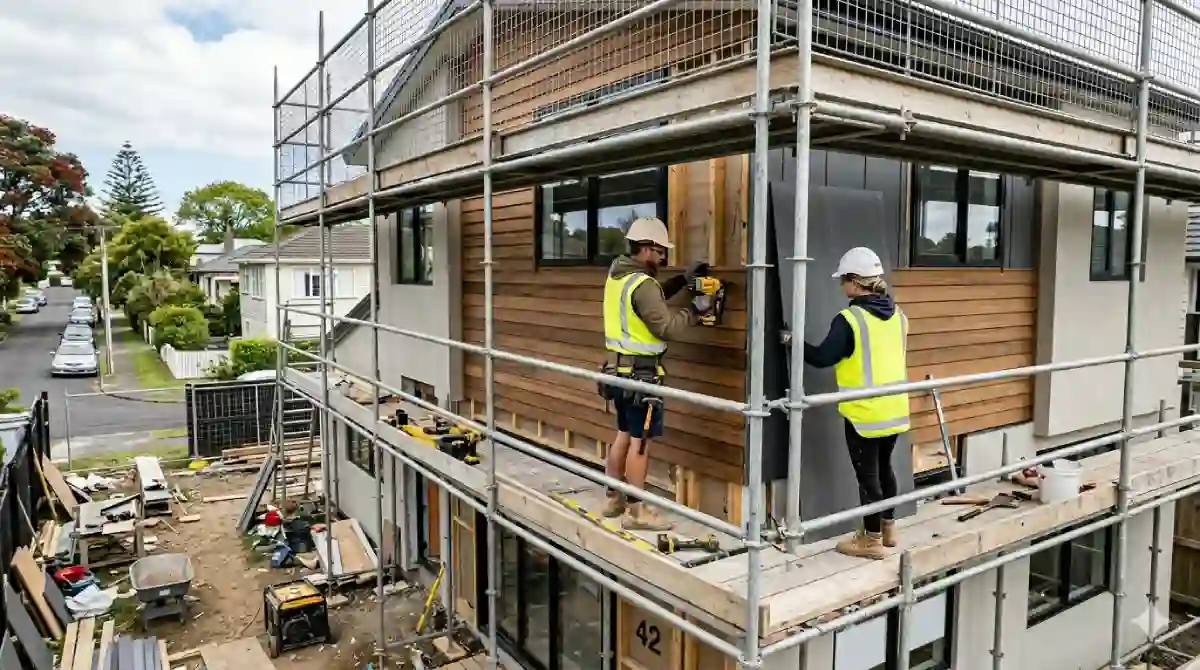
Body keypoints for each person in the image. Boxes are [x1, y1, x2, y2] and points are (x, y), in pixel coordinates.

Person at [601, 216, 709, 531]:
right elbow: (666, 326)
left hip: (618, 372)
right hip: (642, 377)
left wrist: (682, 280)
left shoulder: (619, 275)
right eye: (661, 252)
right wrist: (697, 310)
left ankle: (614, 499)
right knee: (640, 443)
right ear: (646, 249)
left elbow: (650, 298)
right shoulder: (642, 284)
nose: (663, 258)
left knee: (623, 434)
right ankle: (637, 512)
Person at [804, 247, 910, 560]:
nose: (841, 286)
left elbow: (823, 357)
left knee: (868, 477)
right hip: (894, 409)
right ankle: (888, 529)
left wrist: (793, 343)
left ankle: (871, 540)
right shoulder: (898, 316)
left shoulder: (850, 319)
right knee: (885, 468)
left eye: (844, 280)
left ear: (855, 281)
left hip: (865, 414)